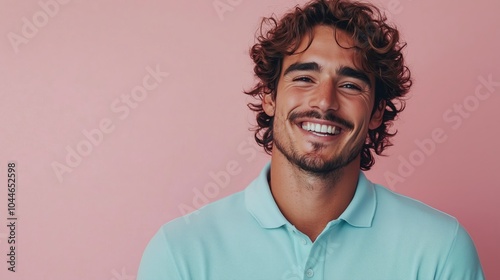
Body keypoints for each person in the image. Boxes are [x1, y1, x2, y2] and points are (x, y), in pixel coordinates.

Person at [138, 0, 484, 279]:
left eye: (350, 85)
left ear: (377, 111)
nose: (324, 101)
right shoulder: (181, 251)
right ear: (269, 97)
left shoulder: (440, 249)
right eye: (304, 78)